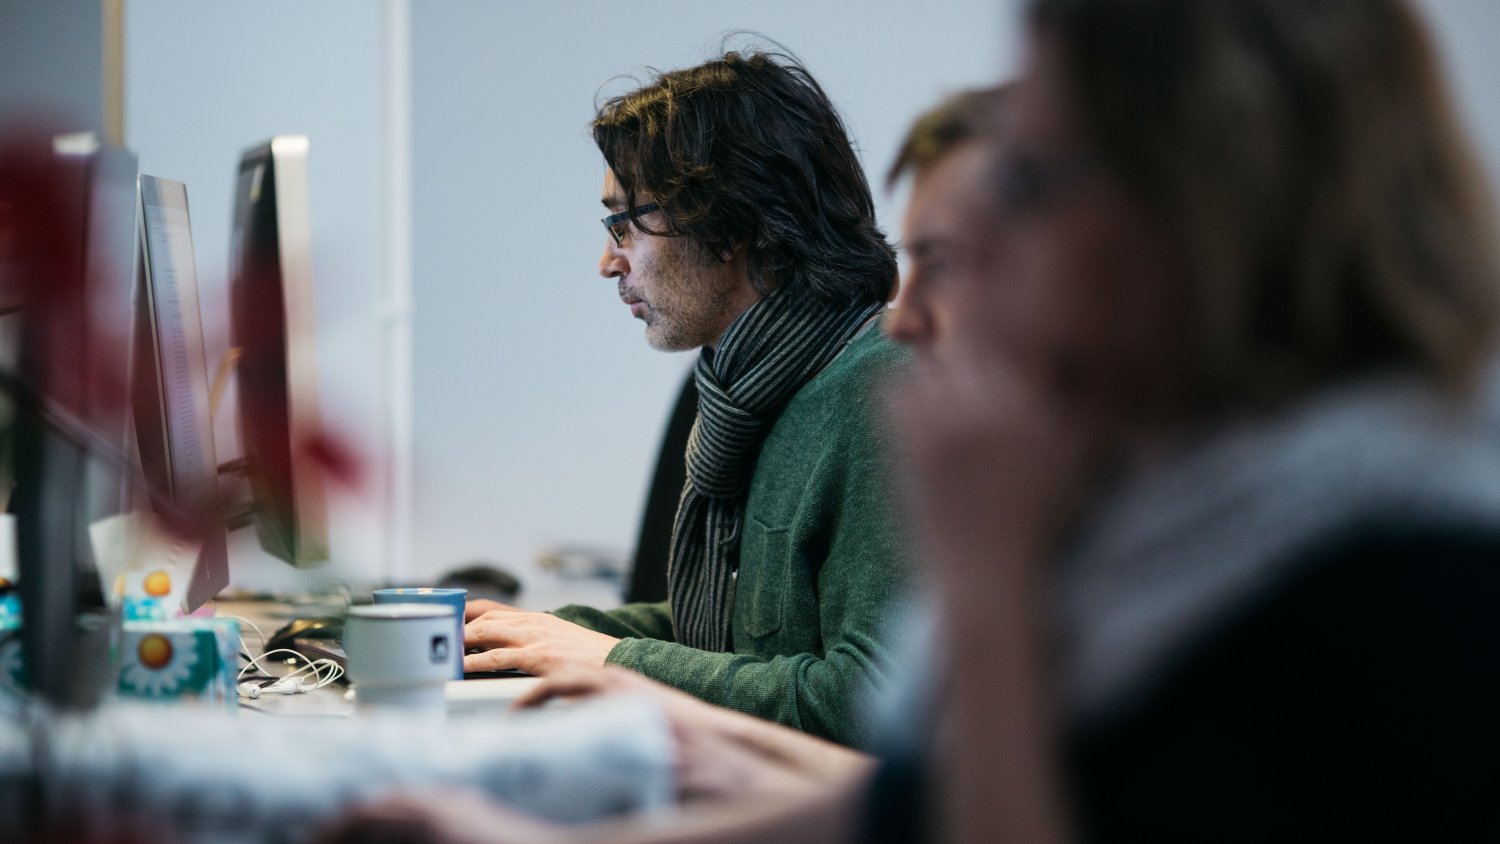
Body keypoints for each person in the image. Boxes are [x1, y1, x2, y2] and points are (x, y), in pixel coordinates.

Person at [326, 0, 1500, 839]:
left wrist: (985, 593)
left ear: (1208, 208)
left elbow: (907, 747)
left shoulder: (1400, 581)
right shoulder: (1169, 519)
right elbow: (900, 802)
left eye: (1028, 187)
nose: (911, 309)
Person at [462, 49, 912, 747]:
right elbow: (730, 636)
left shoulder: (888, 392)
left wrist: (613, 661)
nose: (607, 262)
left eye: (625, 223)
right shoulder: (756, 391)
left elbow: (868, 703)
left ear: (726, 226)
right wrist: (526, 634)